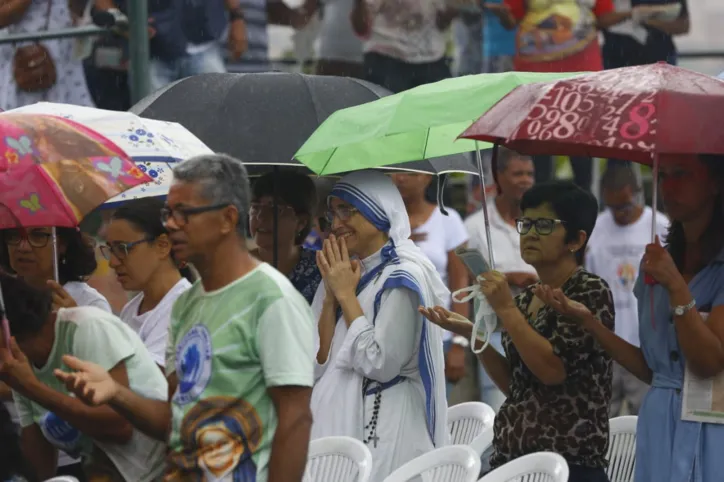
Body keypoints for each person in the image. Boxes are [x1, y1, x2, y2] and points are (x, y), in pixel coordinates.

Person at [55, 154, 316, 482]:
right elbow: (174, 419)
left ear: (227, 219)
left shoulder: (271, 299)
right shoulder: (186, 305)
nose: (172, 224)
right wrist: (116, 393)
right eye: (169, 212)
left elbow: (294, 420)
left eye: (185, 213)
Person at [422, 180, 615, 482]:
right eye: (525, 223)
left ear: (576, 240)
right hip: (514, 459)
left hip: (566, 465)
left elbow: (552, 372)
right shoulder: (527, 298)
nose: (530, 234)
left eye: (544, 225)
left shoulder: (588, 291)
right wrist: (478, 337)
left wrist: (506, 309)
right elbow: (517, 384)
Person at [557, 154, 724, 482]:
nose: (668, 186)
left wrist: (676, 286)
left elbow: (708, 363)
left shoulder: (714, 270)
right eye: (664, 176)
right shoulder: (656, 264)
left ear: (715, 183)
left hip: (713, 426)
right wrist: (590, 323)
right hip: (659, 422)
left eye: (683, 174)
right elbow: (654, 370)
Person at [311, 171, 449, 482]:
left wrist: (346, 295)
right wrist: (332, 298)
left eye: (348, 210)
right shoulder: (344, 270)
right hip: (341, 424)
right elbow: (316, 360)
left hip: (388, 426)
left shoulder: (404, 276)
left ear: (378, 211)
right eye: (332, 213)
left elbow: (381, 362)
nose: (336, 224)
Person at [0, 272, 167, 482]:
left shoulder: (86, 327)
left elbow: (119, 427)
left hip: (166, 471)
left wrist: (33, 389)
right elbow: (41, 470)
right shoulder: (19, 369)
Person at [0, 225, 110, 480]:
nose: (23, 246)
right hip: (19, 449)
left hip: (80, 455)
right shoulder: (6, 300)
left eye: (39, 235)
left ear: (62, 244)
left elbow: (102, 384)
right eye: (13, 236)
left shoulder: (88, 305)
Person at [483, 0, 631, 190]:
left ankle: (583, 209)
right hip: (535, 69)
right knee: (539, 145)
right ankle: (542, 209)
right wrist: (502, 13)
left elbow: (604, 17)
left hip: (582, 68)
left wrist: (634, 13)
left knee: (580, 146)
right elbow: (511, 20)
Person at [585, 164, 668, 416]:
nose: (619, 213)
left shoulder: (659, 226)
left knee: (642, 420)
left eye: (625, 205)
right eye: (612, 207)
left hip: (644, 347)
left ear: (637, 193)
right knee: (601, 420)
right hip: (606, 344)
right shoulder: (597, 227)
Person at [464, 148, 537, 413]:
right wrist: (508, 278)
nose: (525, 180)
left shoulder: (541, 223)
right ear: (498, 176)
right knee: (499, 414)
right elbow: (466, 277)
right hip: (494, 332)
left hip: (538, 331)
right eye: (518, 173)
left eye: (530, 174)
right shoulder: (474, 225)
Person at [391, 172, 470, 394]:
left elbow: (460, 283)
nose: (401, 179)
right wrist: (397, 242)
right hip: (391, 337)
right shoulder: (381, 221)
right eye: (396, 173)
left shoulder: (448, 219)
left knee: (434, 415)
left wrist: (458, 343)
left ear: (427, 178)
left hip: (438, 336)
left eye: (411, 173)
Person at [101, 198, 194, 368]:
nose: (113, 262)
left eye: (123, 248)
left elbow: (145, 380)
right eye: (110, 249)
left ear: (162, 246)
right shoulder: (132, 309)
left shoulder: (184, 308)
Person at [0, 0, 93, 110]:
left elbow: (77, 10)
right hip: (18, 57)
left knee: (66, 118)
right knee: (19, 120)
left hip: (61, 51)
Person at [352, 0, 458, 93]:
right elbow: (361, 27)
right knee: (386, 111)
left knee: (441, 110)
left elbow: (441, 22)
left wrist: (457, 7)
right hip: (387, 58)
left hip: (431, 58)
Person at [249, 171, 322, 304]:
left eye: (275, 209)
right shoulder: (233, 270)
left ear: (301, 222)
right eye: (255, 207)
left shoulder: (322, 271)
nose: (260, 216)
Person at [602, 0, 690, 69]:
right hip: (616, 61)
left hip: (660, 60)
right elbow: (598, 21)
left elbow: (683, 26)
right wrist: (631, 14)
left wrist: (647, 19)